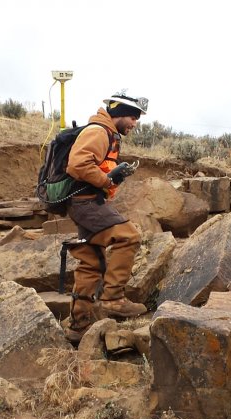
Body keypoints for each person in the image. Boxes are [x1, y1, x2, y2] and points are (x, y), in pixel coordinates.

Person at [64, 91, 150, 341]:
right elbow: (77, 164)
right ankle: (113, 299)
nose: (135, 123)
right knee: (129, 236)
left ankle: (78, 326)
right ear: (120, 113)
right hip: (85, 202)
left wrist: (111, 178)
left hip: (84, 201)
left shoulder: (105, 132)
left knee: (91, 260)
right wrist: (105, 180)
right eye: (133, 117)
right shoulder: (98, 131)